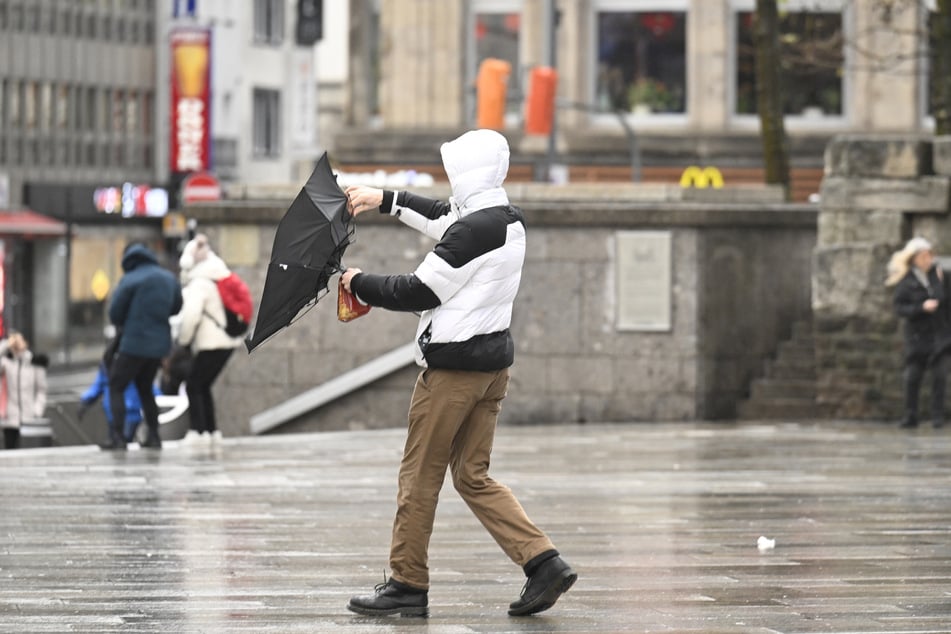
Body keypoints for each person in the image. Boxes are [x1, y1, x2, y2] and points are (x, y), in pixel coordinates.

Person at [341, 129, 576, 617]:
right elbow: (444, 219)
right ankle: (543, 562)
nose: (448, 183)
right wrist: (385, 199)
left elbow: (419, 291)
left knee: (419, 476)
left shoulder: (474, 231)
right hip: (491, 370)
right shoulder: (506, 221)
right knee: (472, 475)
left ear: (464, 173)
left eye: (451, 172)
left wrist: (355, 282)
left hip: (451, 375)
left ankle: (407, 584)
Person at [105, 242, 182, 450]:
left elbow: (115, 314)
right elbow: (177, 307)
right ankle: (154, 436)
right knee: (146, 388)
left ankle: (118, 438)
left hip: (134, 344)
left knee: (116, 385)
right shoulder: (168, 279)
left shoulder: (129, 280)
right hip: (159, 347)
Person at [176, 234, 242, 445]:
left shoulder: (200, 283)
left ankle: (198, 432)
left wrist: (183, 341)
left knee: (193, 385)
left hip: (212, 343)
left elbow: (191, 316)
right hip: (226, 342)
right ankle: (211, 432)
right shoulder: (217, 276)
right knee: (202, 385)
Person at [887, 237, 951, 429]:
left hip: (940, 336)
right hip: (917, 337)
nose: (927, 260)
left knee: (940, 376)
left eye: (929, 256)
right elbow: (900, 308)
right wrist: (921, 307)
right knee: (912, 377)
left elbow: (945, 302)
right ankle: (910, 415)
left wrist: (938, 282)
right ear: (914, 258)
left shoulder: (940, 277)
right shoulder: (906, 282)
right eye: (923, 256)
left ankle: (937, 416)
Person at [77, 333, 158, 444]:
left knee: (120, 441)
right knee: (119, 440)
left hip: (128, 413)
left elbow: (147, 388)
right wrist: (85, 401)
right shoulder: (109, 365)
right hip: (119, 414)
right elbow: (99, 385)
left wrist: (85, 401)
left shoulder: (126, 363)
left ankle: (120, 442)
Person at [0, 332, 48, 450]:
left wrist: (37, 410)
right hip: (10, 418)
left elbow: (42, 390)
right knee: (10, 452)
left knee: (30, 453)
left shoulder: (35, 363)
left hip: (29, 417)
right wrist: (5, 344)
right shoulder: (7, 362)